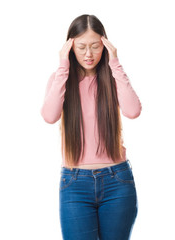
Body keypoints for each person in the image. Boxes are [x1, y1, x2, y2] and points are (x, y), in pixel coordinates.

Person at [41, 14, 141, 240]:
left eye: (95, 46)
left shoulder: (114, 78)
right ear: (70, 47)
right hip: (75, 184)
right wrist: (63, 68)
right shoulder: (60, 79)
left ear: (105, 45)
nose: (88, 54)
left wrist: (115, 63)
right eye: (82, 47)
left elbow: (133, 111)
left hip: (117, 181)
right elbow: (49, 116)